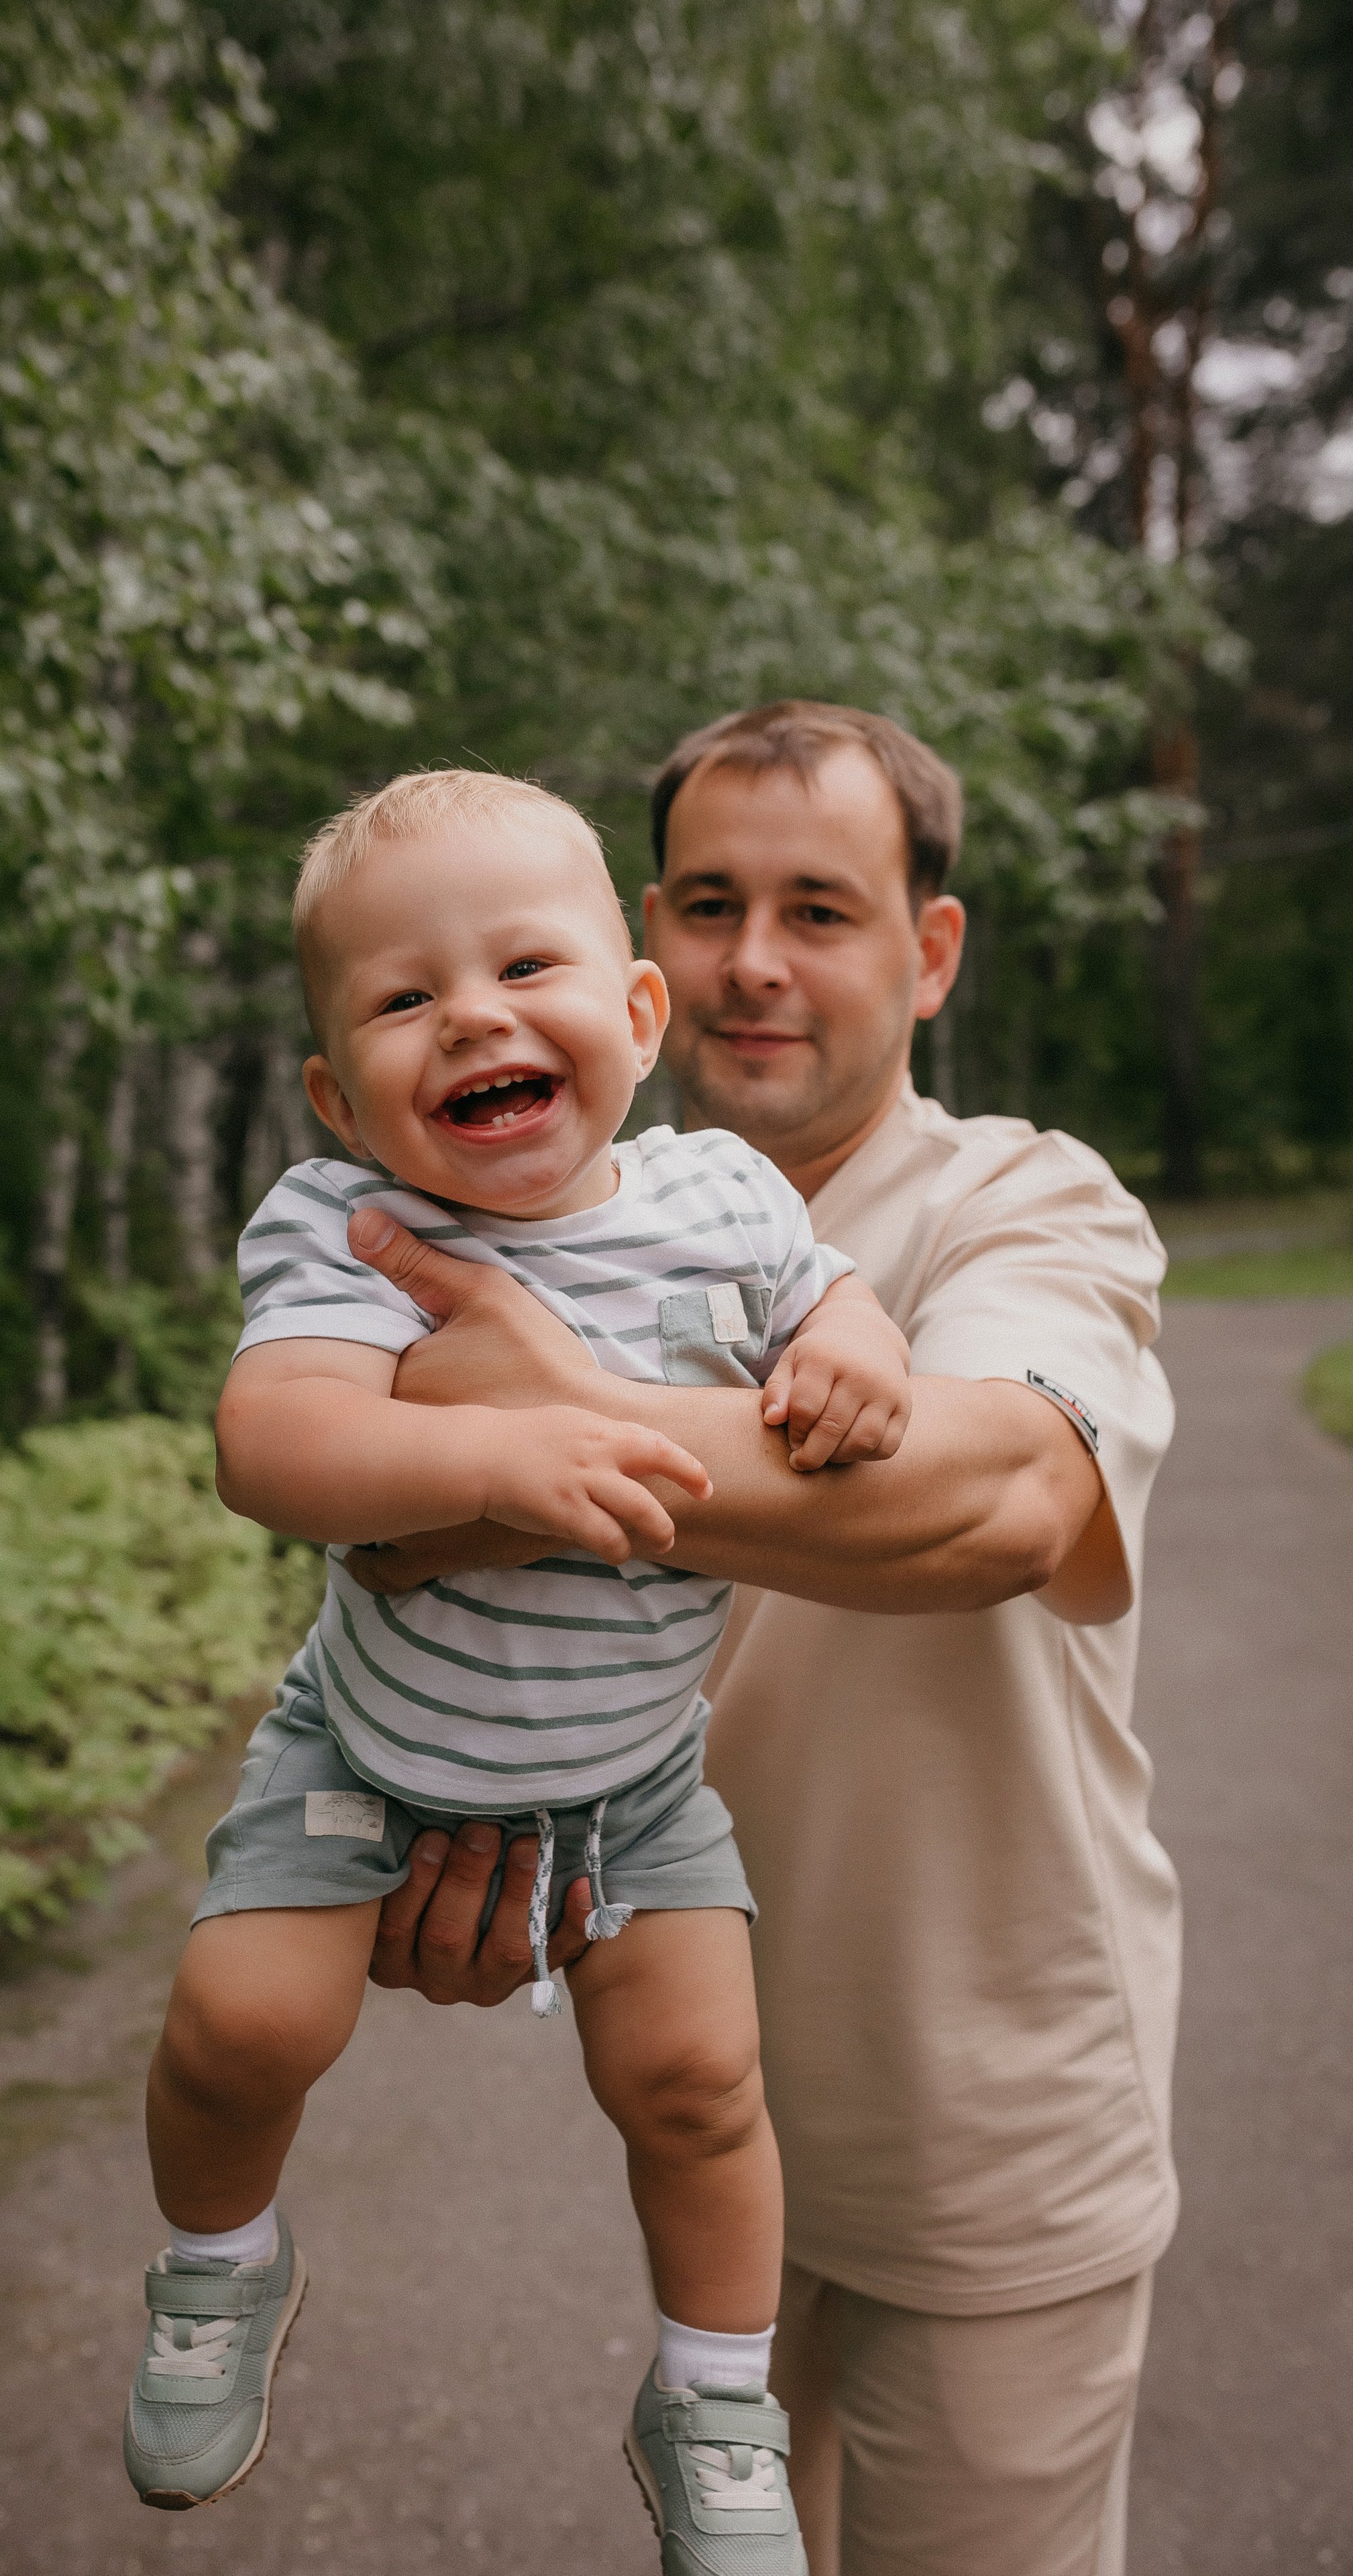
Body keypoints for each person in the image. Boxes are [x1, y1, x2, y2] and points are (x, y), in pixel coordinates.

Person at [346, 702, 1178, 2576]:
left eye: (823, 907)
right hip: (712, 2128)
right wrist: (477, 1844)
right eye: (712, 906)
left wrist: (530, 1425)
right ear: (645, 954)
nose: (756, 964)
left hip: (991, 2132)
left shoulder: (1018, 1200)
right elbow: (398, 1557)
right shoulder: (563, 1216)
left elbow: (997, 1505)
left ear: (929, 950)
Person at [125, 765, 914, 2575]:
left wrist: (858, 1345)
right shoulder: (353, 1230)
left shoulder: (722, 1192)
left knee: (705, 2079)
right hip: (371, 1754)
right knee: (246, 2025)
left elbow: (827, 1295)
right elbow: (273, 1443)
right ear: (338, 1092)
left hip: (632, 1777)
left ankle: (717, 2400)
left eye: (524, 967)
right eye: (403, 1000)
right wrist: (496, 1460)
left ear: (638, 1014)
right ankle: (217, 2265)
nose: (470, 1013)